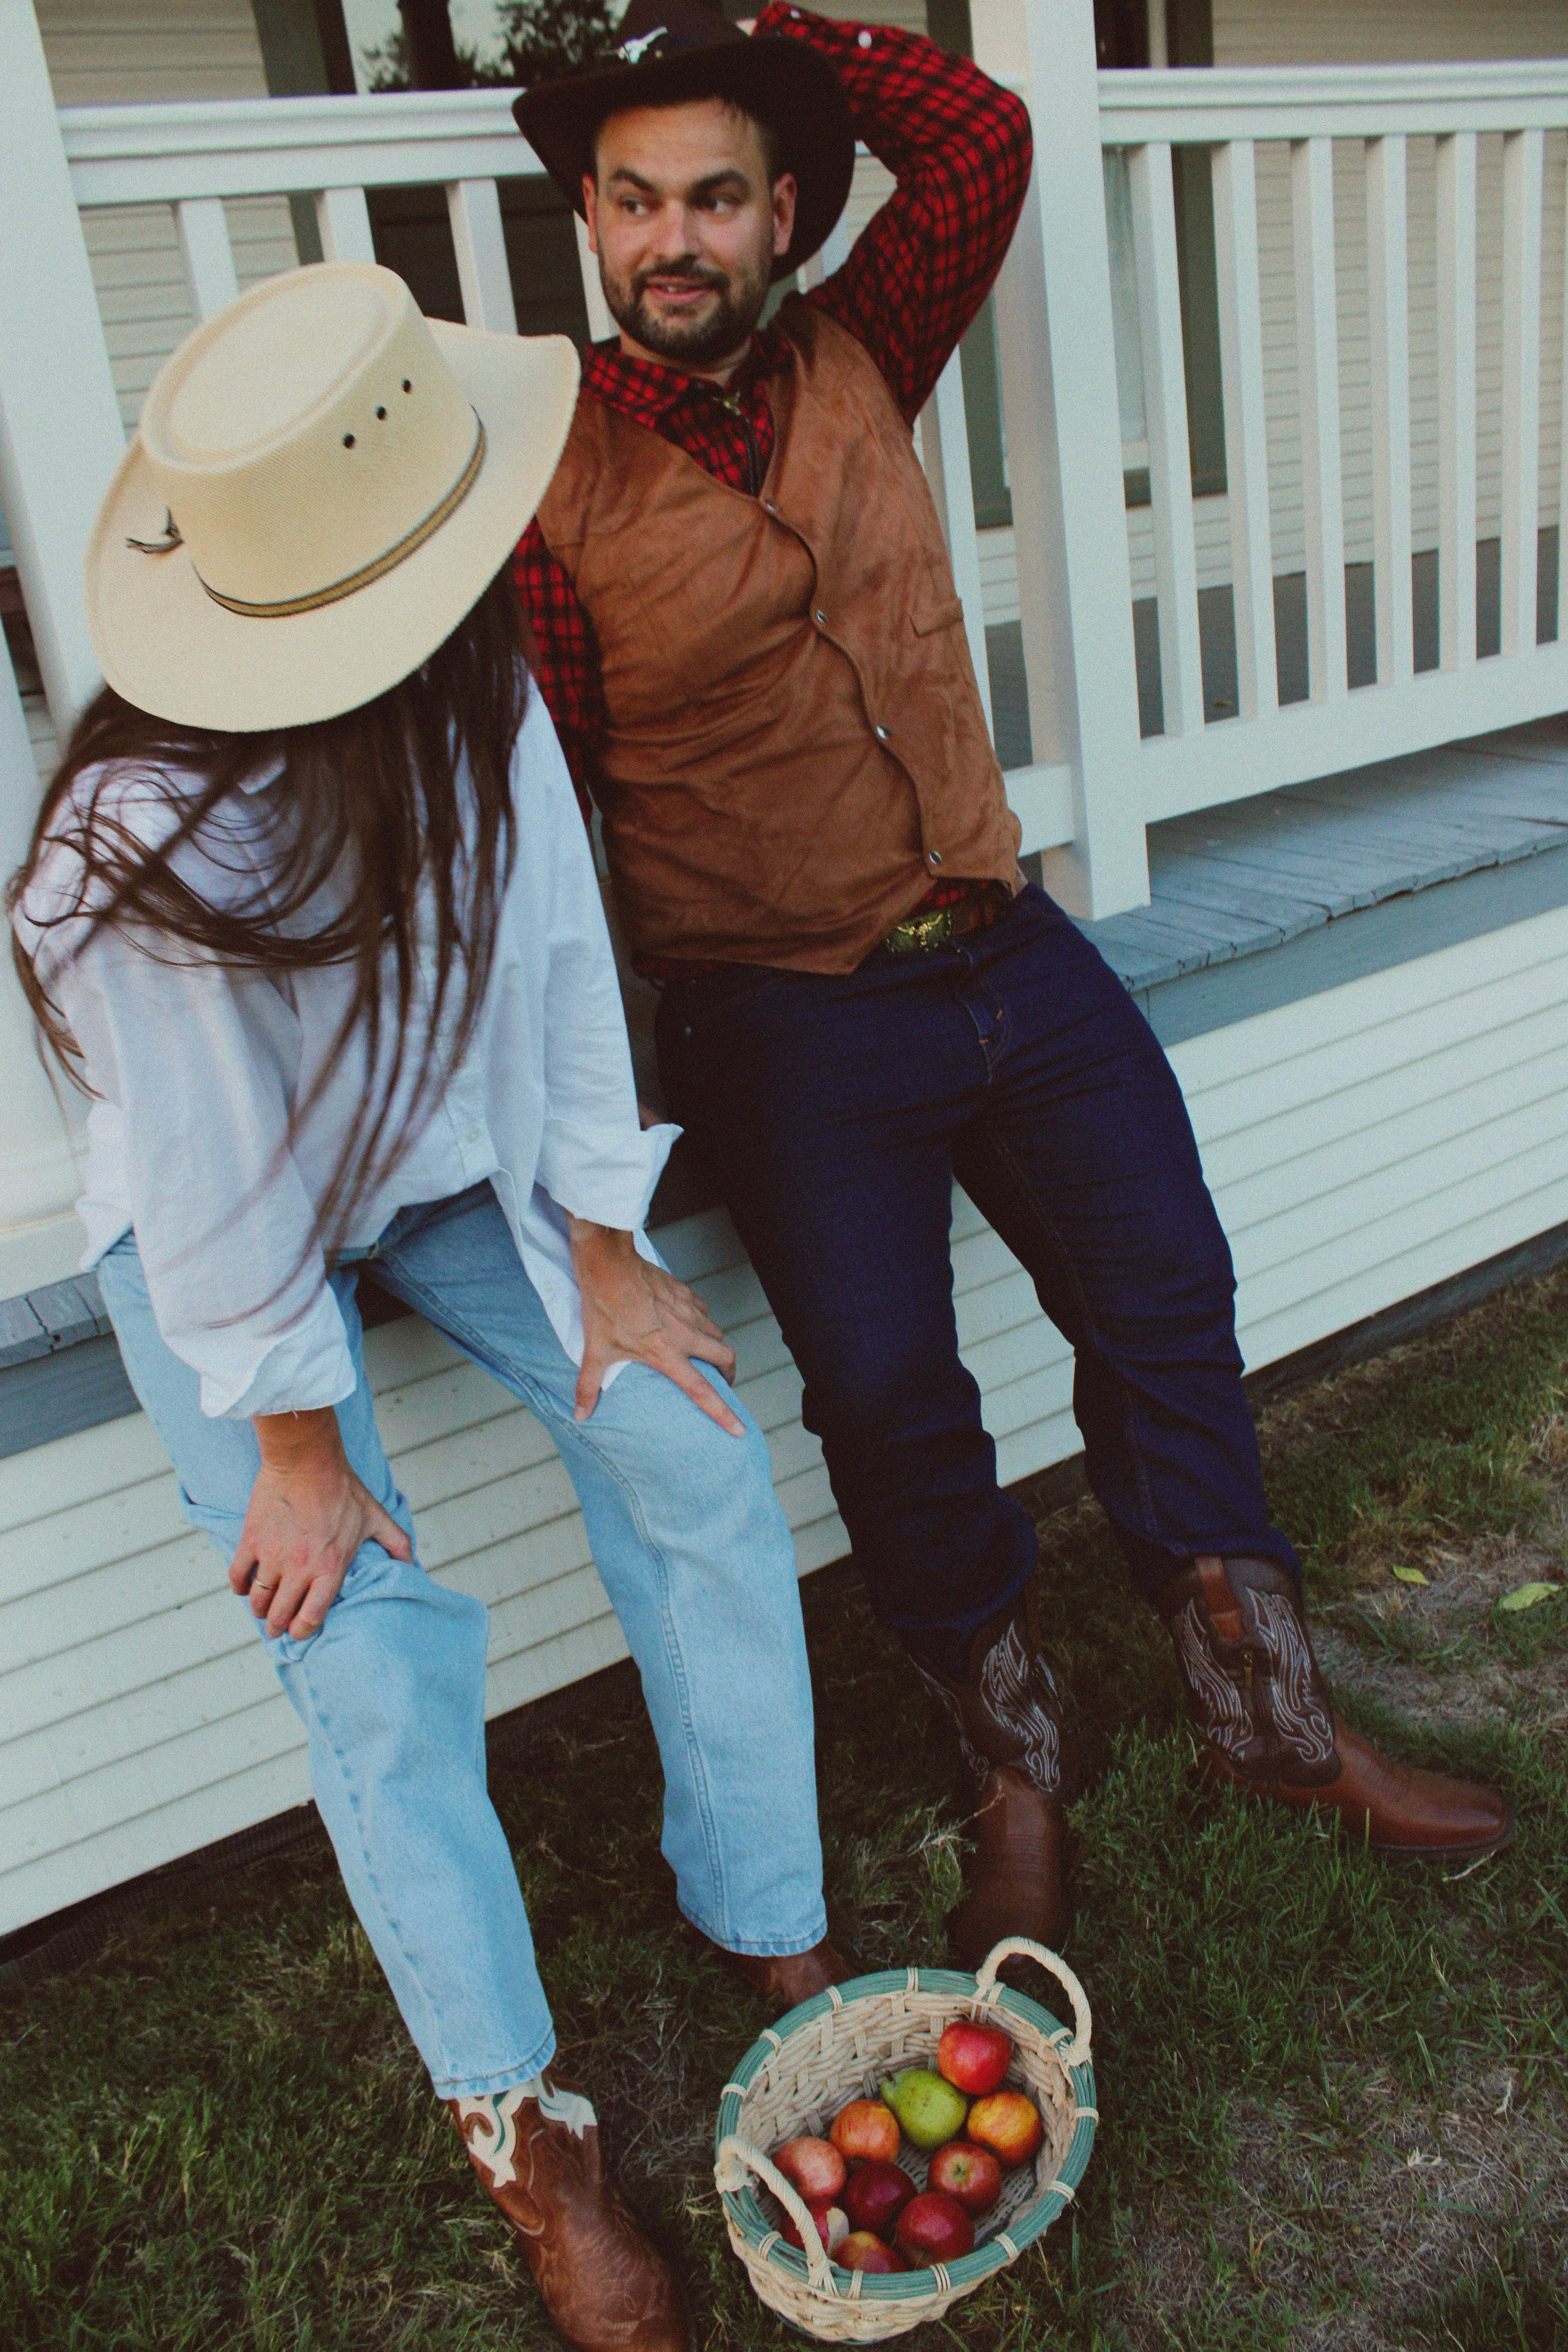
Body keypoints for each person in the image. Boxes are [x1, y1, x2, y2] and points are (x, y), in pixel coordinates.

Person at [511, 0, 1514, 1967]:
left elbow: (977, 133)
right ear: (593, 221)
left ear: (783, 212)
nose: (673, 240)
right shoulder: (546, 486)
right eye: (633, 200)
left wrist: (762, 36)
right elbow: (549, 828)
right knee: (893, 1402)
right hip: (783, 1011)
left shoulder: (864, 339)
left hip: (1005, 940)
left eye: (715, 194)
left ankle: (1268, 1720)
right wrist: (593, 1134)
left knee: (1167, 1301)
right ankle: (1016, 1771)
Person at [10, 262, 843, 2352]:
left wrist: (602, 1237)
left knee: (690, 1445)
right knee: (364, 1636)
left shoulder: (473, 675)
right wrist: (295, 1447)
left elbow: (557, 962)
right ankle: (521, 2123)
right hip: (226, 1254)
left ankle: (768, 1915)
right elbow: (218, 1183)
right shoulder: (137, 844)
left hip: (448, 1172)